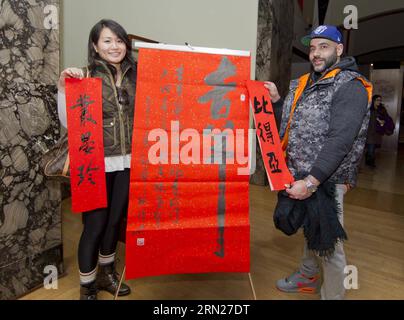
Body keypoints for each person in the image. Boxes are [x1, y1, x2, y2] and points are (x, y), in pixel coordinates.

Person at [265, 25, 372, 300]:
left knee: (329, 243)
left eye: (323, 46)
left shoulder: (350, 86)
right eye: (312, 48)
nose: (315, 53)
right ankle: (307, 275)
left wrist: (311, 182)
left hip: (326, 178)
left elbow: (340, 141)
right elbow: (289, 124)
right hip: (299, 173)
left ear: (339, 50)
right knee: (310, 229)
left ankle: (333, 295)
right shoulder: (303, 83)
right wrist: (277, 103)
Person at [57, 19, 137, 300]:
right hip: (95, 163)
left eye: (119, 40)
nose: (114, 46)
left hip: (128, 161)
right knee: (95, 224)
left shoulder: (135, 76)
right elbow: (70, 124)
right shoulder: (85, 76)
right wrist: (65, 88)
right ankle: (87, 285)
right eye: (107, 40)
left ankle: (107, 273)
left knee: (115, 222)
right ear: (95, 45)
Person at [365, 95, 394, 167]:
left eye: (380, 100)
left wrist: (383, 121)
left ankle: (368, 157)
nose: (379, 101)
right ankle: (371, 162)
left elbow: (387, 118)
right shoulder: (369, 108)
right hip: (369, 130)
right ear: (374, 100)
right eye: (378, 100)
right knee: (371, 146)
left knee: (373, 147)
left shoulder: (382, 109)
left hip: (377, 131)